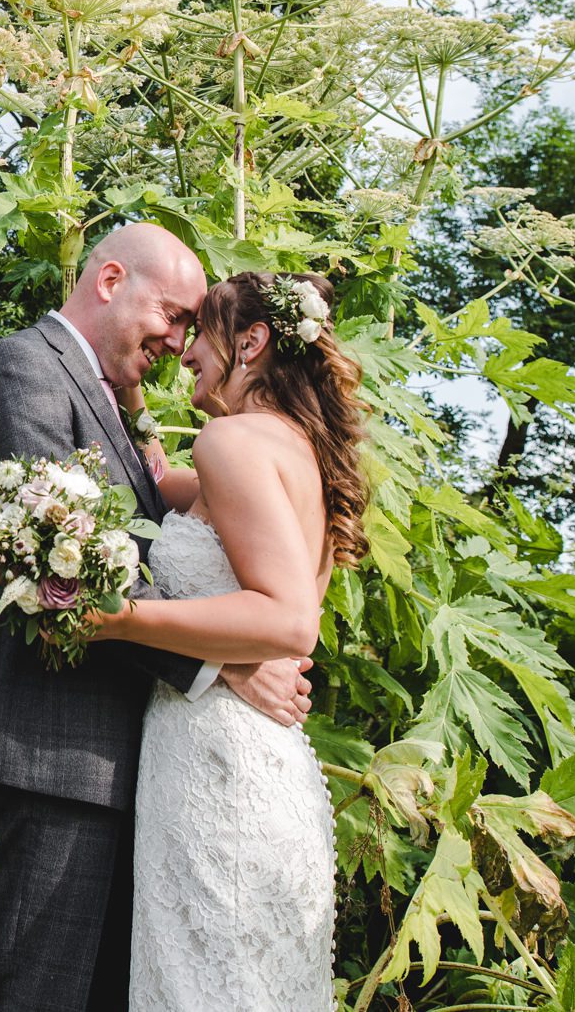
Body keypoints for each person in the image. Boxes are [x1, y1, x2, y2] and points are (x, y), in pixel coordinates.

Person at [0, 226, 316, 1012]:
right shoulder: (19, 370)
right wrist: (227, 664)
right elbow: (59, 562)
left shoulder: (124, 409)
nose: (178, 341)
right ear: (111, 279)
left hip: (149, 768)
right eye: (173, 314)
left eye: (192, 326)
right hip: (58, 755)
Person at [91, 270, 372, 1011]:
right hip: (259, 755)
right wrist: (130, 397)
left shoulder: (232, 440)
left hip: (218, 764)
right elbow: (155, 480)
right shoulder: (291, 446)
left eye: (201, 332)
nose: (182, 348)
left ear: (252, 341)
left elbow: (287, 621)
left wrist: (124, 619)